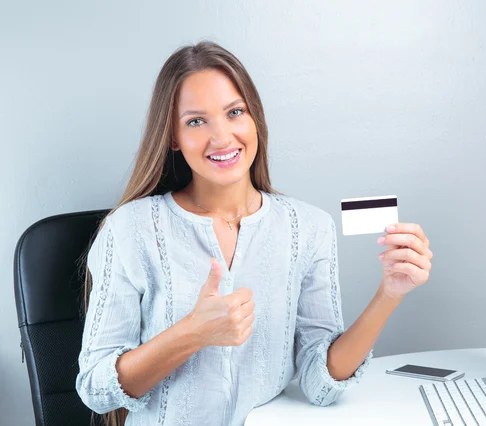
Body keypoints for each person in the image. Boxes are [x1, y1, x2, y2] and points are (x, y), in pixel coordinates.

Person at [75, 41, 433, 426]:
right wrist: (192, 334)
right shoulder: (130, 229)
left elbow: (320, 383)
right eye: (196, 121)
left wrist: (389, 294)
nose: (222, 137)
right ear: (173, 137)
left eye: (234, 112)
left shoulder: (309, 228)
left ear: (254, 118)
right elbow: (96, 389)